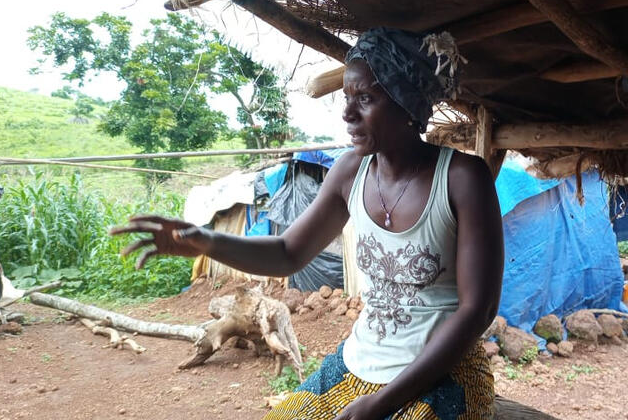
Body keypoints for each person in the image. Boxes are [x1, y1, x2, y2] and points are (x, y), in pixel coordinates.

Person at [112, 27, 504, 419]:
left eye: (366, 98)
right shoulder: (351, 172)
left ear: (407, 104)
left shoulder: (461, 178)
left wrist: (383, 404)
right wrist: (206, 242)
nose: (348, 113)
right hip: (360, 364)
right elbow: (287, 252)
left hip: (441, 374)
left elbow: (477, 310)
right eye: (348, 98)